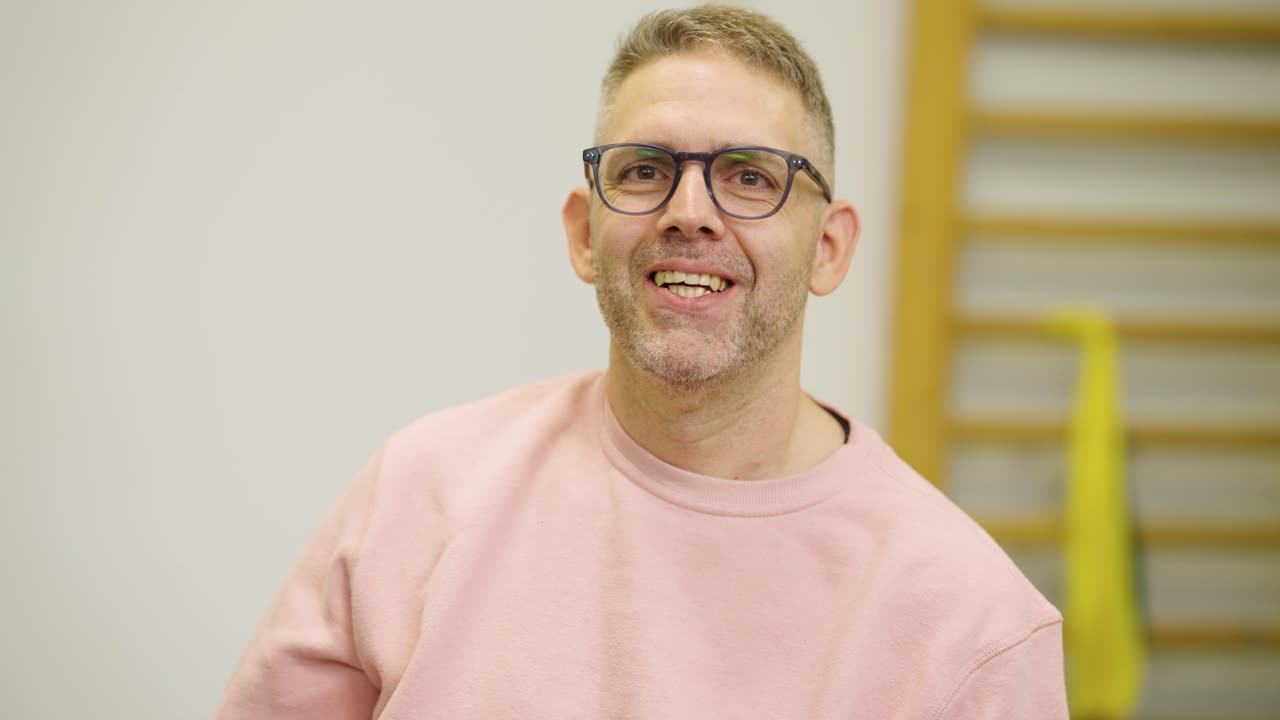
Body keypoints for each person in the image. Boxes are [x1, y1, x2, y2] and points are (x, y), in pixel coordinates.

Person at [217, 5, 1068, 718]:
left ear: (831, 248)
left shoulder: (973, 625)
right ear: (585, 234)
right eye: (647, 169)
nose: (689, 211)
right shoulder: (421, 495)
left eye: (748, 175)